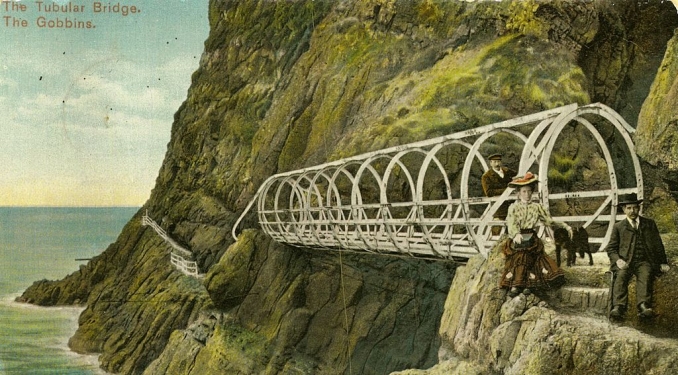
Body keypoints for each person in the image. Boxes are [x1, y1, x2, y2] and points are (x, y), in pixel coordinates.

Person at [499, 172, 572, 297]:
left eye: (529, 191)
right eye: (523, 192)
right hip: (518, 237)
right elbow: (511, 223)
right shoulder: (513, 207)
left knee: (533, 257)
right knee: (520, 256)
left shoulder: (537, 207)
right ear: (518, 193)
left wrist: (565, 226)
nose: (527, 195)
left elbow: (549, 221)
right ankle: (516, 285)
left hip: (531, 237)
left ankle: (529, 284)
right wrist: (516, 234)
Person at [606, 193, 670, 320]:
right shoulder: (619, 227)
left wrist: (663, 262)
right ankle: (618, 307)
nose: (632, 211)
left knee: (646, 274)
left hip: (644, 261)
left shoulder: (649, 224)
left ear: (639, 208)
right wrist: (618, 260)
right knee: (621, 276)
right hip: (625, 261)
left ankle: (643, 306)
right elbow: (611, 248)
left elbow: (658, 245)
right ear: (624, 209)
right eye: (629, 208)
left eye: (635, 208)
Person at [481, 153, 517, 220]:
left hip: (512, 206)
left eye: (498, 161)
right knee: (498, 228)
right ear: (491, 163)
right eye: (494, 162)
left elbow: (518, 176)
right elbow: (489, 192)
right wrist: (507, 190)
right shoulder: (486, 176)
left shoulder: (507, 171)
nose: (497, 164)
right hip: (498, 208)